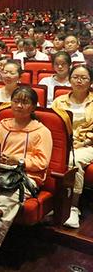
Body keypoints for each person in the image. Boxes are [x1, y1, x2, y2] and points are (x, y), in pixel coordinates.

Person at [0, 86, 52, 248]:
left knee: (3, 202)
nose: (19, 105)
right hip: (0, 172)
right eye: (16, 101)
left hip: (25, 177)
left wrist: (18, 161)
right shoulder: (1, 126)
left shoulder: (41, 131)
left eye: (24, 102)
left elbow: (42, 162)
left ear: (33, 107)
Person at [51, 64, 93, 229]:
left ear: (90, 82)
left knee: (72, 161)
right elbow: (52, 124)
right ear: (69, 79)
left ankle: (72, 206)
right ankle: (52, 202)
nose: (79, 81)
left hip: (87, 145)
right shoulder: (59, 101)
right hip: (63, 144)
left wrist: (83, 142)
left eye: (84, 78)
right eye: (75, 77)